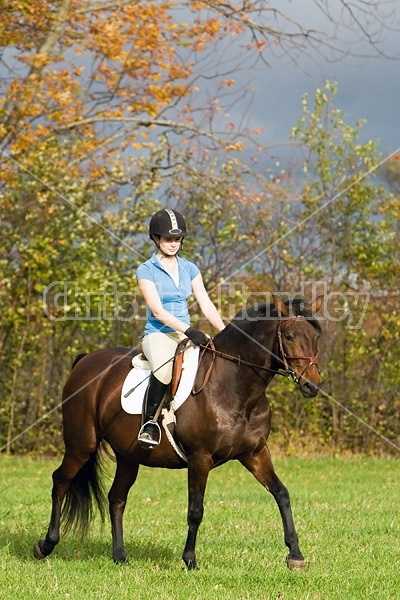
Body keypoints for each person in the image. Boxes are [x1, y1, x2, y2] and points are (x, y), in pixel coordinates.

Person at [136, 208, 225, 449]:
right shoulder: (146, 270)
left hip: (185, 333)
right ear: (156, 239)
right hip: (158, 334)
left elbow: (205, 303)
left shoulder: (190, 268)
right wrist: (188, 331)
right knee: (164, 371)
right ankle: (149, 424)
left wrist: (226, 332)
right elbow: (157, 311)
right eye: (168, 239)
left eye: (177, 239)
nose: (173, 244)